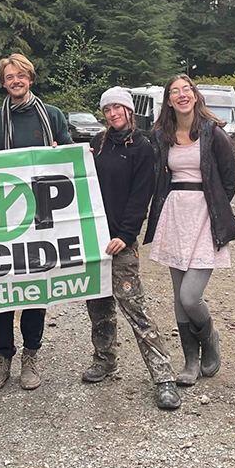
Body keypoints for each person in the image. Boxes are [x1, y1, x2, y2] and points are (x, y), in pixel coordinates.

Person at [0, 53, 72, 391]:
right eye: (9, 77)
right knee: (1, 287)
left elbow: (70, 162)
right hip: (2, 218)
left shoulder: (52, 116)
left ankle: (30, 354)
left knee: (35, 290)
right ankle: (3, 354)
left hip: (41, 218)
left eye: (21, 75)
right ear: (3, 83)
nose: (15, 81)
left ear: (30, 78)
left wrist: (62, 152)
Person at [85, 87, 181, 410]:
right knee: (98, 306)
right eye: (107, 109)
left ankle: (163, 376)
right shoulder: (96, 144)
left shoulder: (142, 147)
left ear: (129, 110)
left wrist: (126, 235)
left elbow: (143, 195)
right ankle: (104, 359)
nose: (113, 114)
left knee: (135, 308)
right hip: (93, 240)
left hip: (122, 242)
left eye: (118, 108)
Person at [145, 75, 235, 387]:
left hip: (205, 217)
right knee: (177, 295)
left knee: (190, 296)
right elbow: (149, 170)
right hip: (174, 213)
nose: (182, 95)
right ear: (169, 101)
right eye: (175, 92)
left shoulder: (214, 133)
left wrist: (211, 207)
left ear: (196, 96)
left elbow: (228, 181)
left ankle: (209, 339)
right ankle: (190, 359)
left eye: (186, 89)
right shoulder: (162, 135)